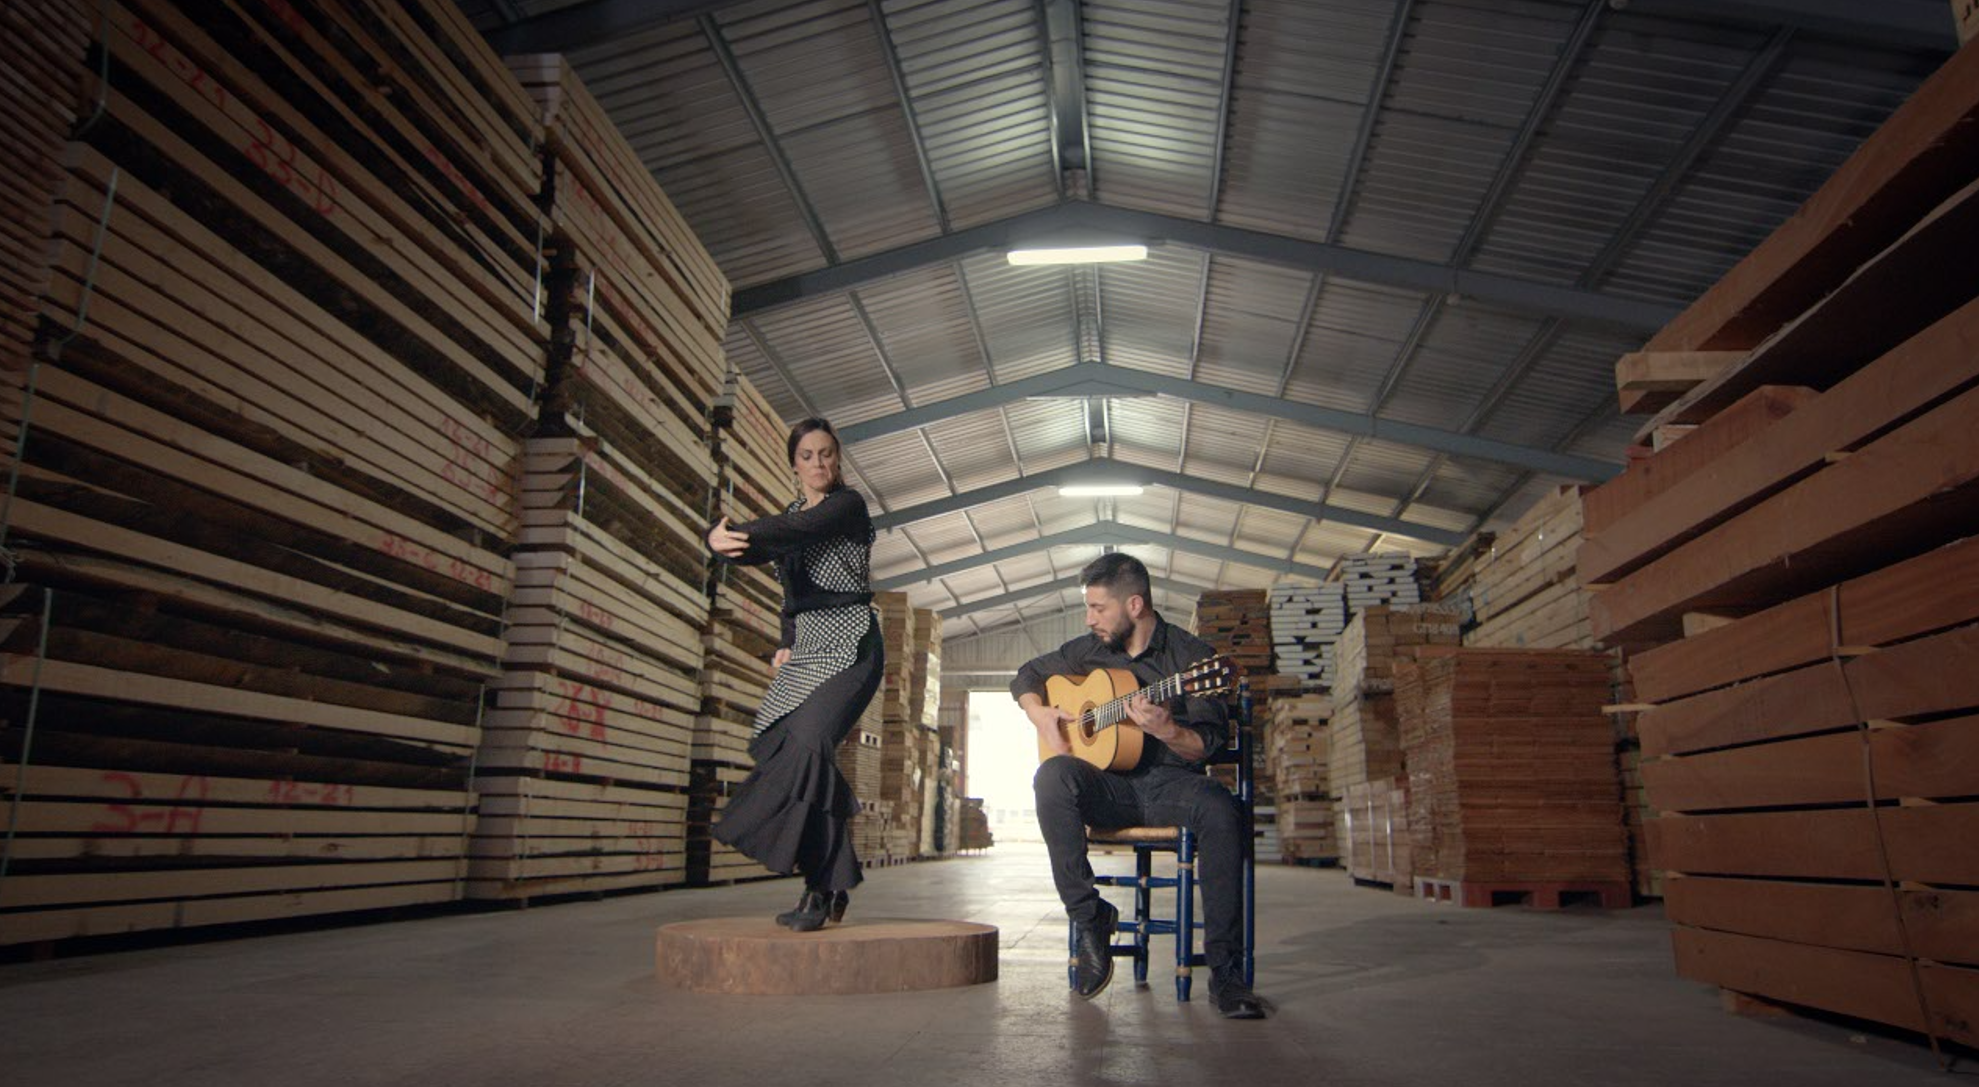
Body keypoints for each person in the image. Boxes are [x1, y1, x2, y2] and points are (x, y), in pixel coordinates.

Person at [1012, 553, 1266, 1019]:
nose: (1090, 619)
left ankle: (1226, 974)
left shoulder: (1194, 661)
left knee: (1221, 810)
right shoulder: (1092, 650)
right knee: (1051, 777)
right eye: (1087, 609)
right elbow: (1026, 674)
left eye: (1097, 608)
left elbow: (1205, 748)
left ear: (1134, 604)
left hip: (1172, 786)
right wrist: (1039, 712)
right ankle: (1092, 918)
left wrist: (1169, 730)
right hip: (1110, 788)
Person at [706, 417, 881, 932]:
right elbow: (779, 574)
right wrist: (713, 538)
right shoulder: (788, 514)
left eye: (827, 453)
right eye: (808, 456)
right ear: (794, 464)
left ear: (838, 457)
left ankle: (818, 887)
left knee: (808, 744)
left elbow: (792, 533)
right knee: (787, 745)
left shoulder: (847, 507)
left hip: (853, 644)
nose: (819, 464)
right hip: (808, 645)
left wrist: (732, 532)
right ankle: (834, 877)